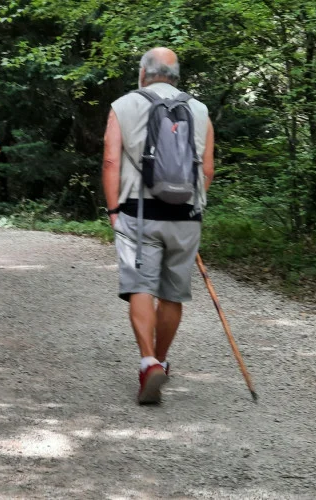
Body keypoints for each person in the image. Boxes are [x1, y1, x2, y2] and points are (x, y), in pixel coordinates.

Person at [102, 48, 215, 403]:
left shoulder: (123, 105)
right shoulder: (200, 110)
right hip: (186, 216)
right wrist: (192, 207)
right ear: (177, 75)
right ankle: (161, 360)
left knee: (141, 286)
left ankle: (148, 362)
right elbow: (207, 170)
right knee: (172, 293)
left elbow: (110, 160)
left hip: (138, 212)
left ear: (143, 73)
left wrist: (113, 210)